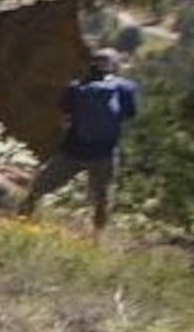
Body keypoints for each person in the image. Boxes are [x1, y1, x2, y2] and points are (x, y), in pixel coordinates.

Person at [19, 47, 141, 233]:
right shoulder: (125, 88)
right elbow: (129, 114)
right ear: (114, 66)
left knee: (39, 187)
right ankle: (97, 237)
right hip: (104, 152)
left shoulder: (76, 88)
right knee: (102, 197)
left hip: (73, 149)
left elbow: (64, 109)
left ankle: (21, 219)